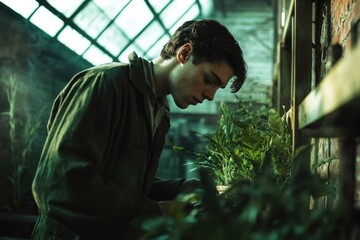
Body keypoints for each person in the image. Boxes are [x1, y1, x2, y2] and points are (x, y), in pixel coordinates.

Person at [31, 19, 247, 239]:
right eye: (209, 80)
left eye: (217, 88)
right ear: (184, 53)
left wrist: (182, 190)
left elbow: (124, 184)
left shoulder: (158, 109)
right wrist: (157, 211)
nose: (210, 95)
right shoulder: (105, 84)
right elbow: (59, 185)